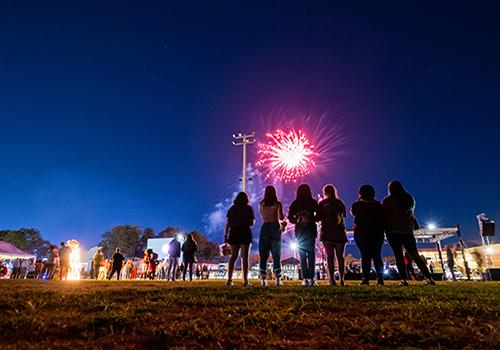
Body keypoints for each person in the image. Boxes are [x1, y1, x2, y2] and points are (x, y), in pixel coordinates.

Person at [382, 181, 435, 286]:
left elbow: (384, 215)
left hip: (392, 231)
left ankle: (403, 279)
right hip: (407, 231)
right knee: (415, 254)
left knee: (398, 255)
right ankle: (428, 277)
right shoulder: (409, 198)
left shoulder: (387, 200)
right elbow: (410, 214)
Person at [351, 185, 385, 286]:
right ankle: (380, 278)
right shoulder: (378, 205)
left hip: (362, 233)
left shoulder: (357, 205)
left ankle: (365, 278)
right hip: (377, 233)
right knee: (377, 255)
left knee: (365, 256)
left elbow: (353, 213)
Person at [288, 184, 320, 286]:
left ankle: (305, 279)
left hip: (300, 231)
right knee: (311, 255)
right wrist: (312, 218)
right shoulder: (313, 202)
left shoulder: (295, 203)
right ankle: (312, 279)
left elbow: (290, 218)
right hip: (311, 230)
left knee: (302, 255)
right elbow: (319, 216)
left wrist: (297, 220)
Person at [318, 184, 348, 286]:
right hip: (339, 232)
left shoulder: (322, 203)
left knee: (329, 257)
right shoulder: (340, 203)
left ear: (324, 192)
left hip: (327, 232)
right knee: (341, 257)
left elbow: (318, 217)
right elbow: (343, 215)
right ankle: (342, 280)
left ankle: (331, 280)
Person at [225, 191, 255, 286]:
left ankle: (229, 280)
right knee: (245, 257)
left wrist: (226, 236)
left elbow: (228, 223)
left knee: (233, 256)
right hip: (245, 232)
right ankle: (245, 280)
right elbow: (251, 222)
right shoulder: (248, 209)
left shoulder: (232, 209)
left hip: (234, 232)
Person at [258, 185, 285, 287]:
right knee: (276, 254)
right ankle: (277, 279)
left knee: (263, 254)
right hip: (274, 227)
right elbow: (280, 217)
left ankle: (263, 280)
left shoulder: (262, 204)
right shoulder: (277, 204)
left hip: (265, 227)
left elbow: (262, 215)